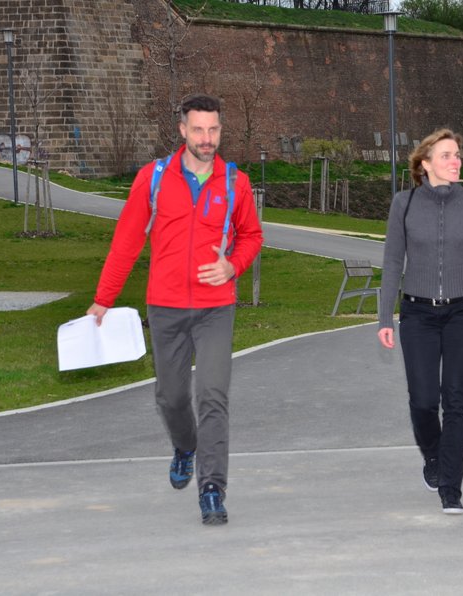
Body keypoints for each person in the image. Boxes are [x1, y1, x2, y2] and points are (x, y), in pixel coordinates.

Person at [87, 94, 263, 525]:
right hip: (165, 307)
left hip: (215, 307)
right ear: (182, 130)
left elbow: (252, 236)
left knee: (213, 395)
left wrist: (232, 265)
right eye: (198, 129)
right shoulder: (153, 178)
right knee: (171, 397)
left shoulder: (234, 182)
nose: (207, 138)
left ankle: (212, 488)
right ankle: (185, 446)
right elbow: (127, 241)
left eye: (214, 129)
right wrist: (104, 299)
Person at [377, 128, 463, 515]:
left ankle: (451, 487)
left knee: (456, 401)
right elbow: (392, 262)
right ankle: (434, 456)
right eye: (447, 155)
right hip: (417, 313)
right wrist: (385, 316)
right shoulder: (404, 204)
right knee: (423, 400)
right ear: (425, 163)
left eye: (458, 155)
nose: (456, 161)